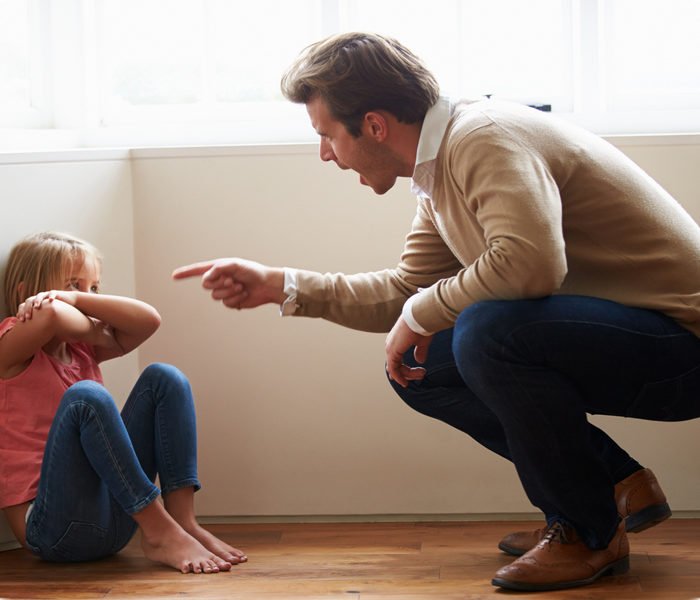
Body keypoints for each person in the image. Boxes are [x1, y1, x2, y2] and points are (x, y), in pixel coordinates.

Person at [172, 32, 700, 591]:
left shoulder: (482, 137)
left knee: (485, 331)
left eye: (326, 135)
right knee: (424, 369)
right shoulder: (437, 167)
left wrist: (424, 311)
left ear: (374, 125)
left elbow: (529, 265)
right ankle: (609, 489)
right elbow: (408, 290)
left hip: (684, 348)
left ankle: (588, 532)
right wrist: (282, 285)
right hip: (635, 342)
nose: (325, 153)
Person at [0, 231, 247, 574]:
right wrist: (89, 322)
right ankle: (160, 530)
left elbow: (149, 319)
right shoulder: (9, 347)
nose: (84, 297)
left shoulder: (82, 349)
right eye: (73, 285)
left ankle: (182, 523)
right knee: (87, 397)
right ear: (24, 293)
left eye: (94, 289)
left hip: (116, 522)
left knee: (165, 378)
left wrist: (74, 300)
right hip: (52, 529)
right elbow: (52, 317)